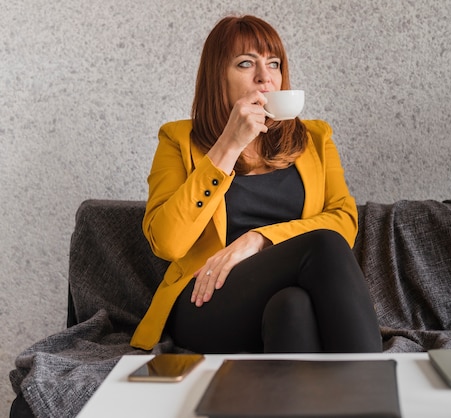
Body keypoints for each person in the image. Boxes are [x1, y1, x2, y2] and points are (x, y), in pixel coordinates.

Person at [130, 15, 382, 354]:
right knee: (322, 244)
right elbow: (168, 243)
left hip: (281, 298)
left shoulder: (316, 139)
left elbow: (344, 222)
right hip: (206, 298)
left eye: (274, 63)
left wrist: (258, 240)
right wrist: (228, 146)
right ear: (217, 77)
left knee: (293, 308)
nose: (265, 76)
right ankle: (373, 388)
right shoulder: (177, 139)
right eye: (246, 63)